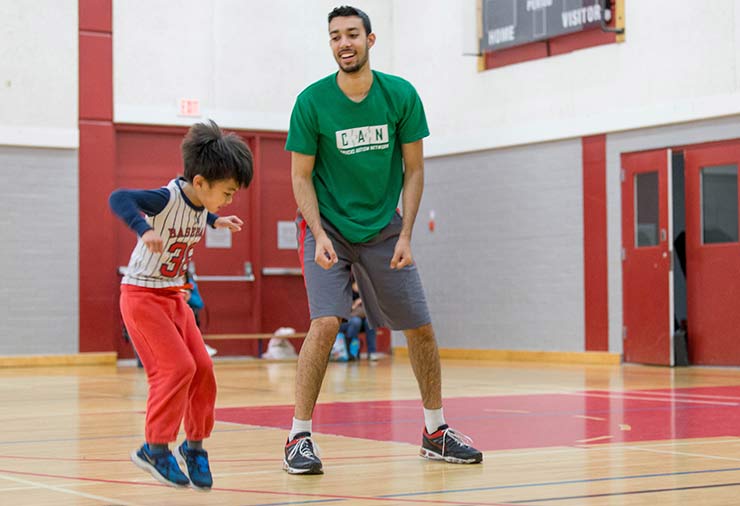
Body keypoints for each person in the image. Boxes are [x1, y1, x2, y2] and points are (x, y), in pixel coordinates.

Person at [283, 5, 482, 475]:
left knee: (421, 326)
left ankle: (435, 431)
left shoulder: (401, 96)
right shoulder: (311, 103)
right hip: (326, 226)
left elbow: (414, 171)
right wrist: (317, 233)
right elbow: (300, 176)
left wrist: (407, 234)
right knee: (327, 322)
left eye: (352, 34)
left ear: (370, 40)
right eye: (335, 37)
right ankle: (298, 437)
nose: (343, 43)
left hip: (384, 228)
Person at [109, 120, 253, 489]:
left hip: (174, 295)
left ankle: (195, 447)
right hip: (142, 296)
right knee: (176, 369)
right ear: (201, 182)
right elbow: (119, 198)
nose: (230, 199)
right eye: (227, 193)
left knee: (202, 367)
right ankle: (154, 449)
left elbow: (199, 211)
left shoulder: (199, 201)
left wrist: (217, 220)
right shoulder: (164, 198)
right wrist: (144, 229)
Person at [339, 280, 378, 361]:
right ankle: (350, 351)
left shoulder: (365, 293)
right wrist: (355, 304)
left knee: (370, 322)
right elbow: (342, 311)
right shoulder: (346, 292)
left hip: (362, 320)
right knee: (356, 321)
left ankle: (372, 352)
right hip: (347, 322)